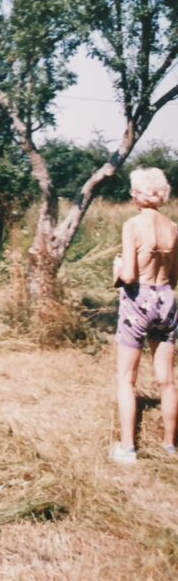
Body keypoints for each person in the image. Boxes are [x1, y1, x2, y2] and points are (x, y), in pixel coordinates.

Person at [111, 167, 178, 464]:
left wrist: (116, 271)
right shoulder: (174, 228)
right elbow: (174, 278)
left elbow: (129, 275)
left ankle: (128, 448)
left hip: (138, 300)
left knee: (127, 378)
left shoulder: (133, 225)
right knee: (167, 380)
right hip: (166, 299)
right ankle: (169, 446)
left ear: (139, 194)